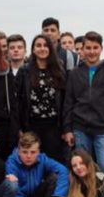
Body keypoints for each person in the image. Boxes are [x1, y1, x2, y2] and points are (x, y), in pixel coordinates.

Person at [62, 31, 104, 172]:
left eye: (95, 48)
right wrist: (67, 129)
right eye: (88, 48)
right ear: (83, 49)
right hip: (80, 128)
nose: (92, 52)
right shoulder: (75, 73)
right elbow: (69, 102)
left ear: (101, 49)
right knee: (83, 169)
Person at [7, 132, 70, 197]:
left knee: (54, 177)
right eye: (24, 152)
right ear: (18, 151)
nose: (29, 156)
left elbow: (63, 170)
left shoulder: (42, 159)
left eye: (33, 152)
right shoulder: (11, 164)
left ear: (38, 151)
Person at [15, 34, 66, 163]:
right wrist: (19, 128)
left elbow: (65, 100)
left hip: (53, 126)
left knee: (52, 161)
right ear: (33, 49)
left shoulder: (59, 70)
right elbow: (17, 101)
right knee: (32, 160)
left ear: (50, 49)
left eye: (45, 45)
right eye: (38, 45)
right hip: (31, 124)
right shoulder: (24, 71)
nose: (42, 48)